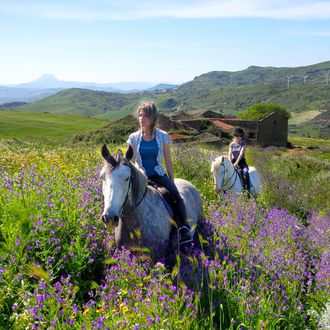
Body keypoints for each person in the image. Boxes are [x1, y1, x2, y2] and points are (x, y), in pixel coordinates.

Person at [127, 101, 192, 245]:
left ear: (152, 118)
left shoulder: (163, 136)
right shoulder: (133, 138)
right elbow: (130, 163)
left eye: (144, 115)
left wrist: (172, 181)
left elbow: (168, 161)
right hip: (141, 177)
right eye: (139, 115)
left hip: (157, 175)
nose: (141, 118)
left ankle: (183, 228)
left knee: (176, 195)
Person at [228, 127, 251, 193]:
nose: (238, 137)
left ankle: (248, 190)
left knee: (246, 172)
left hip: (241, 162)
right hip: (233, 161)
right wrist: (230, 162)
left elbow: (241, 154)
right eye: (236, 135)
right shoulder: (231, 144)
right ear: (234, 135)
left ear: (242, 136)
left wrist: (237, 163)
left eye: (240, 136)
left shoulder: (243, 144)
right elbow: (229, 153)